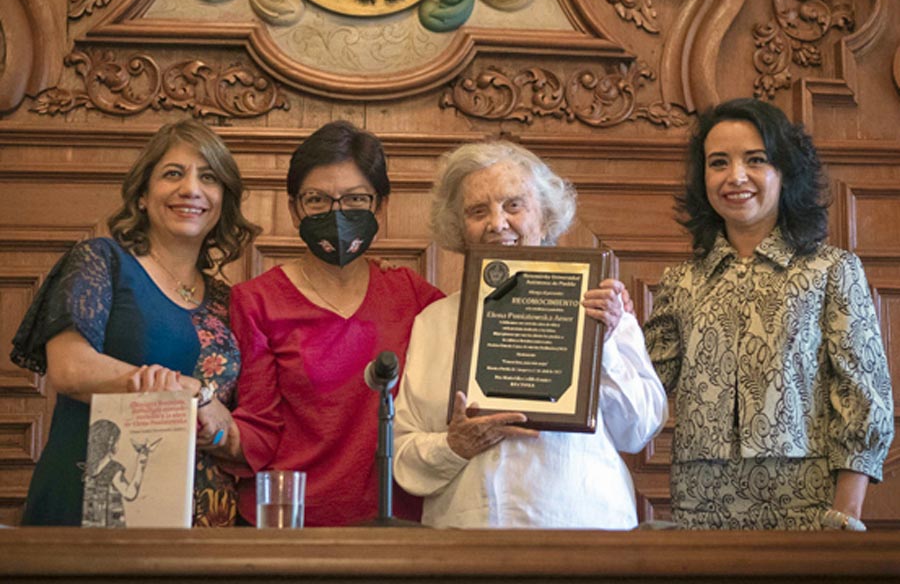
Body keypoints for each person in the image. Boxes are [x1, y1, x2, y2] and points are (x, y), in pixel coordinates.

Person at [643, 98, 894, 530]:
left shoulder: (831, 270)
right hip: (700, 508)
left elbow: (863, 399)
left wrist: (846, 511)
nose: (735, 176)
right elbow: (642, 385)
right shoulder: (680, 282)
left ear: (785, 171)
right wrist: (611, 331)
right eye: (718, 162)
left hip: (807, 509)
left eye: (755, 160)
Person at [392, 140, 668, 528]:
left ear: (546, 215)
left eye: (513, 205)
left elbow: (637, 432)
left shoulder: (603, 306)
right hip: (466, 541)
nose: (497, 223)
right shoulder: (434, 321)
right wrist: (453, 446)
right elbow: (402, 453)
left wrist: (601, 345)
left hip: (583, 532)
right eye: (477, 210)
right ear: (460, 227)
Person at [10, 118, 260, 526]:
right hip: (95, 509)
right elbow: (70, 369)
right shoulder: (103, 262)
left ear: (222, 200)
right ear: (143, 195)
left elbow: (233, 427)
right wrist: (192, 393)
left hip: (204, 527)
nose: (191, 189)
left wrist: (215, 433)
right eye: (173, 174)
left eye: (209, 177)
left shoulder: (228, 301)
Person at [218, 121, 444, 526]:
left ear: (381, 205)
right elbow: (258, 424)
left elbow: (482, 341)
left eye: (356, 199)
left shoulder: (413, 295)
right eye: (317, 200)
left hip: (397, 525)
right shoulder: (257, 300)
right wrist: (209, 428)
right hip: (289, 524)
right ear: (294, 208)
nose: (336, 213)